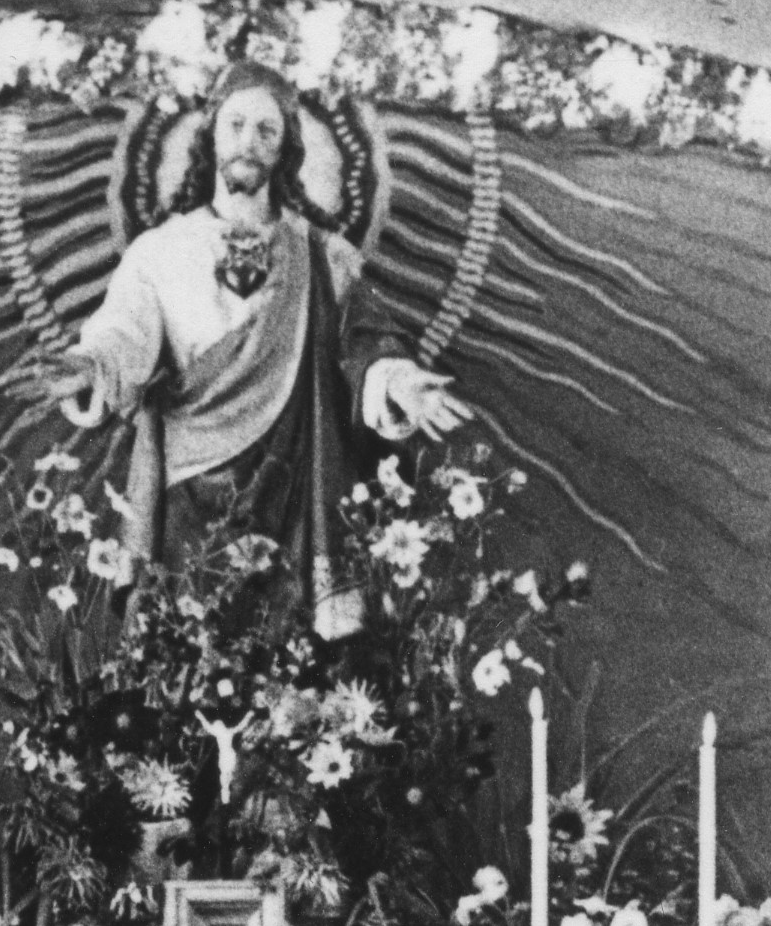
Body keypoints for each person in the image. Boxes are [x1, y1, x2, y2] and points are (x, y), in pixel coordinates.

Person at [43, 63, 465, 640]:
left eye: (267, 130)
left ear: (286, 148)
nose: (249, 141)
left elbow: (366, 340)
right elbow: (124, 335)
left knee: (292, 648)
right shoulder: (160, 251)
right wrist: (90, 367)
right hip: (191, 483)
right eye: (236, 124)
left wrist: (396, 381)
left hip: (293, 482)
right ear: (211, 134)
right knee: (190, 644)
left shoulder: (325, 255)